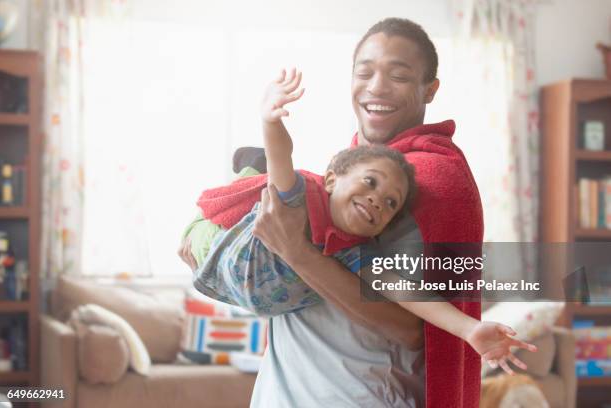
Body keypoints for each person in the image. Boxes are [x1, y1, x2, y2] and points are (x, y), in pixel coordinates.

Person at [178, 18, 507, 407]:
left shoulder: (428, 185)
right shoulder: (352, 177)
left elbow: (411, 327)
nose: (377, 86)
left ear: (429, 89)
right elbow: (282, 163)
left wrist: (298, 253)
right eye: (364, 72)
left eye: (399, 75)